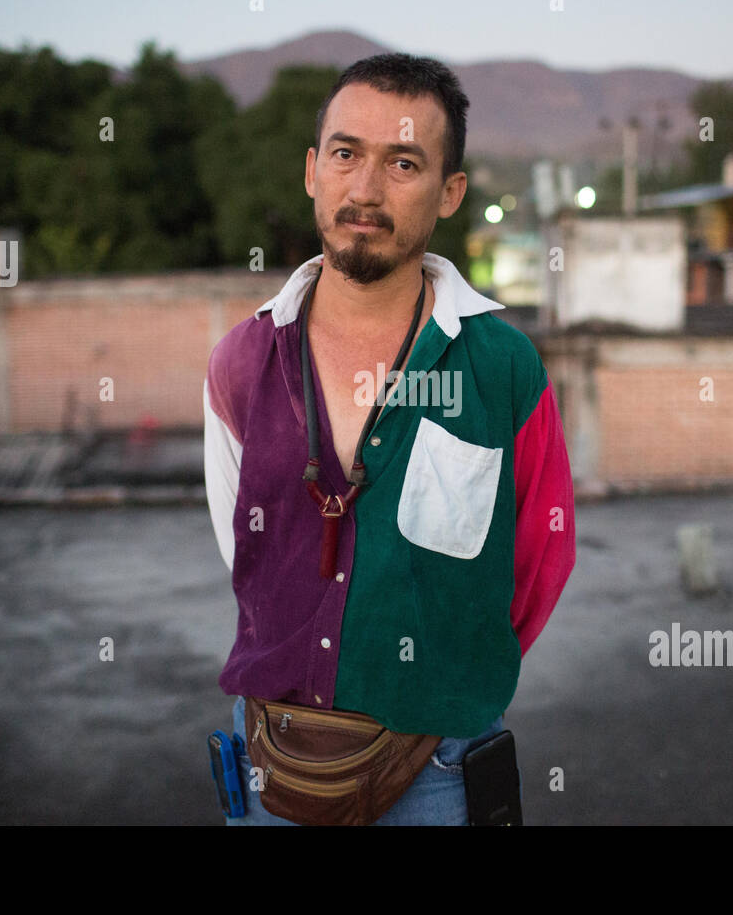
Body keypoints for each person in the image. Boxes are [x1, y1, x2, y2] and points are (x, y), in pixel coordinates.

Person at [202, 52, 576, 825]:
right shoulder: (243, 359)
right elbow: (246, 548)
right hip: (274, 763)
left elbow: (540, 558)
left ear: (450, 191)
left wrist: (447, 671)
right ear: (313, 170)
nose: (366, 190)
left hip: (441, 765)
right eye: (346, 154)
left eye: (404, 162)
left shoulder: (503, 366)